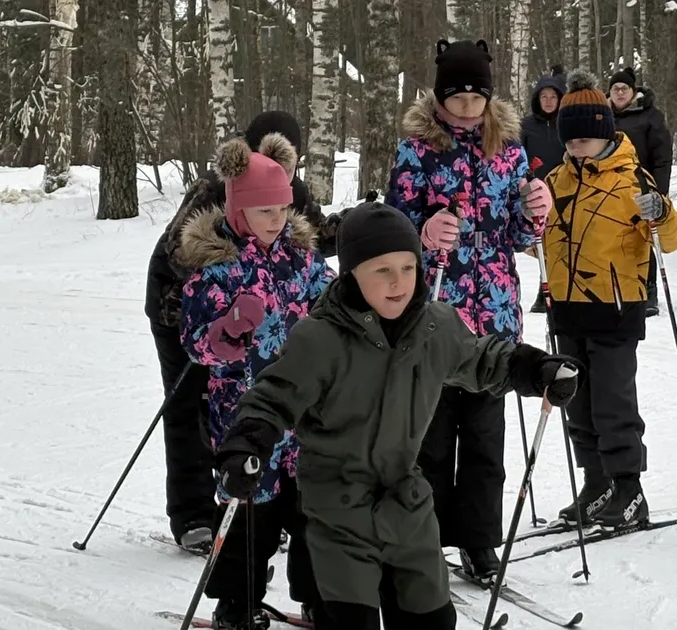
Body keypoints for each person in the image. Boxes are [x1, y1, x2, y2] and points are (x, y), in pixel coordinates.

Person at [213, 200, 582, 630]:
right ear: (352, 273)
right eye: (382, 270)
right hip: (338, 509)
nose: (398, 283)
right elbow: (272, 398)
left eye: (408, 268)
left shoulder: (434, 326)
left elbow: (483, 358)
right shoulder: (320, 338)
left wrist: (537, 369)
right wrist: (246, 442)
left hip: (407, 502)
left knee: (432, 618)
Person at [384, 38, 552, 580]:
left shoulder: (507, 145)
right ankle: (425, 539)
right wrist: (424, 231)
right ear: (440, 97)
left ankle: (480, 542)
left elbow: (519, 231)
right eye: (458, 99)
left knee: (485, 438)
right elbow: (391, 227)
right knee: (430, 436)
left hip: (495, 308)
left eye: (478, 98)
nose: (468, 109)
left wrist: (536, 211)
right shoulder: (417, 148)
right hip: (436, 309)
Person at [176, 131, 334, 629]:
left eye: (284, 210)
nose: (278, 221)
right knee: (251, 510)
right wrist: (226, 328)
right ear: (240, 211)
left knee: (310, 507)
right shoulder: (216, 270)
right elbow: (196, 344)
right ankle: (235, 602)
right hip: (241, 407)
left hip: (302, 408)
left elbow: (331, 304)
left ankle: (318, 596)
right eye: (266, 212)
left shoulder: (301, 260)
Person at [144, 110, 318, 554]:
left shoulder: (284, 190)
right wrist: (227, 307)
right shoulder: (214, 191)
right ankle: (194, 514)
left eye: (292, 166)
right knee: (190, 409)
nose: (280, 213)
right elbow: (182, 254)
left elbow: (310, 242)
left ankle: (268, 510)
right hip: (178, 307)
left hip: (252, 328)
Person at [543, 69, 677, 531]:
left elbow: (675, 237)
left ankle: (629, 490)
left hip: (615, 307)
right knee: (578, 403)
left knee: (613, 403)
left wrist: (661, 212)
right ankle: (596, 483)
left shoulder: (634, 179)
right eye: (569, 141)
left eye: (584, 139)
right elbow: (536, 240)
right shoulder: (556, 181)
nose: (575, 148)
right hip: (566, 309)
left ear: (605, 134)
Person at [608, 67, 674, 317]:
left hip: (643, 184)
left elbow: (662, 155)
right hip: (612, 187)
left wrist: (660, 191)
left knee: (645, 235)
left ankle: (649, 287)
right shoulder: (603, 114)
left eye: (624, 88)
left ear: (633, 92)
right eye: (616, 89)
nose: (620, 93)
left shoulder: (650, 116)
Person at [521, 65, 568, 315]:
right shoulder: (527, 125)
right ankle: (545, 287)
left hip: (564, 189)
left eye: (553, 97)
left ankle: (559, 289)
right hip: (537, 192)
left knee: (563, 241)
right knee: (542, 241)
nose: (549, 102)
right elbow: (518, 158)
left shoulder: (566, 122)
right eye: (544, 97)